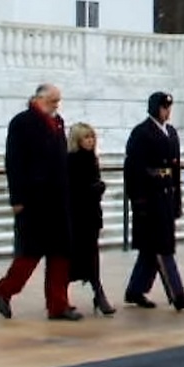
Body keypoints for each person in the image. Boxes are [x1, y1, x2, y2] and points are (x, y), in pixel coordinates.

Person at [0, 84, 82, 321]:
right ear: (40, 98)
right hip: (34, 200)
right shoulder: (22, 122)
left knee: (60, 255)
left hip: (58, 201)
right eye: (53, 100)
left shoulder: (58, 122)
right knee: (29, 255)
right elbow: (14, 162)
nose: (56, 105)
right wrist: (17, 198)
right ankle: (4, 290)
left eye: (58, 101)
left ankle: (58, 305)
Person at [124, 91, 184, 312]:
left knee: (151, 250)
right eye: (163, 107)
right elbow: (134, 170)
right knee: (162, 248)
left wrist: (176, 201)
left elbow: (174, 170)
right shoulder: (141, 133)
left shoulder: (171, 133)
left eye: (169, 107)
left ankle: (135, 290)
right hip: (150, 198)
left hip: (165, 197)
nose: (167, 111)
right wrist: (138, 201)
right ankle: (177, 294)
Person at [67, 122, 115, 316]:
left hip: (91, 216)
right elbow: (75, 189)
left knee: (92, 257)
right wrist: (96, 188)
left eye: (92, 137)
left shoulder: (92, 159)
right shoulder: (71, 160)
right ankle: (64, 298)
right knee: (74, 259)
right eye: (86, 137)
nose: (90, 141)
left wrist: (97, 188)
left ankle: (99, 293)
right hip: (77, 216)